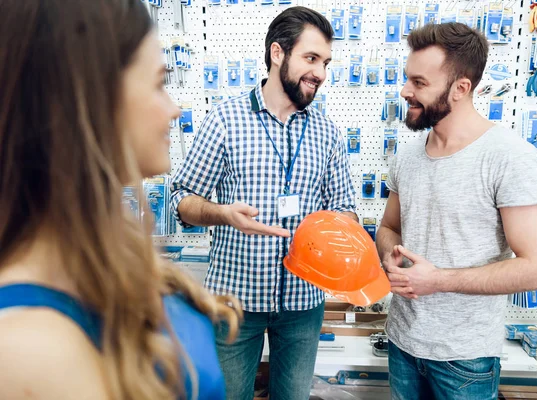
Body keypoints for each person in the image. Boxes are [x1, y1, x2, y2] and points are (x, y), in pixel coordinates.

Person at [0, 1, 240, 399]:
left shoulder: (105, 255)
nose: (174, 109)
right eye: (159, 83)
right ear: (92, 99)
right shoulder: (26, 347)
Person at [170, 6, 357, 400]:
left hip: (303, 302)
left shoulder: (327, 133)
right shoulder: (225, 120)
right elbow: (182, 199)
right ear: (277, 53)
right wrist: (222, 214)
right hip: (236, 299)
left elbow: (345, 209)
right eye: (310, 58)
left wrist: (336, 235)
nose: (320, 73)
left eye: (325, 62)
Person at [376, 22, 537, 400]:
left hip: (465, 361)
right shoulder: (407, 157)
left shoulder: (510, 158)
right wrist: (390, 255)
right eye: (408, 79)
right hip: (402, 345)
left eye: (420, 83)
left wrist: (437, 279)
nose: (406, 91)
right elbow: (389, 227)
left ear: (460, 88)